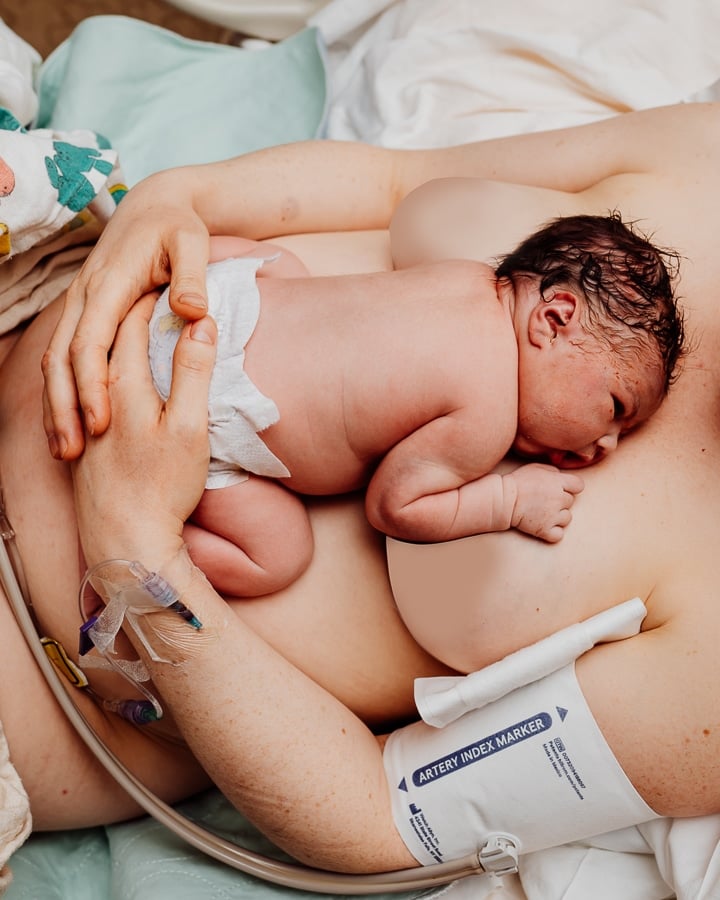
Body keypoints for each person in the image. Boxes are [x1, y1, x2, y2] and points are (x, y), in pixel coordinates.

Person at [0, 100, 715, 879]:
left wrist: (135, 544)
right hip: (44, 297)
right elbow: (392, 180)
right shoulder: (703, 153)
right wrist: (174, 202)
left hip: (38, 665)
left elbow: (381, 813)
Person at [158, 217, 681, 597]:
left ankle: (161, 263)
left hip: (212, 299)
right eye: (616, 408)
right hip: (206, 408)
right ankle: (152, 538)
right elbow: (393, 507)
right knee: (278, 556)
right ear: (553, 319)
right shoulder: (487, 412)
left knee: (290, 267)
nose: (609, 443)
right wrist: (509, 501)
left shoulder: (466, 277)